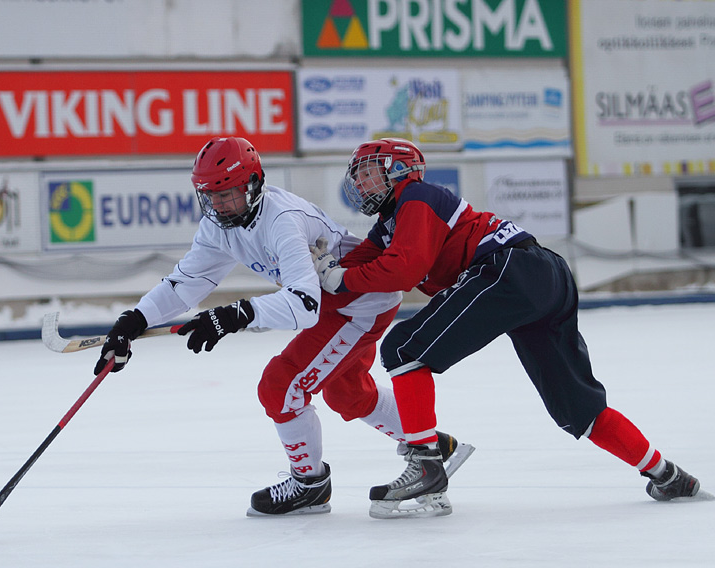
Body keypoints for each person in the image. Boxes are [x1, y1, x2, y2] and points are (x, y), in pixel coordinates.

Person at [310, 137, 704, 519]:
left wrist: (338, 278)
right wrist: (308, 276)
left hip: (509, 269)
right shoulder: (389, 223)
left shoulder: (416, 196)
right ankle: (666, 474)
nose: (359, 183)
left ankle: (428, 465)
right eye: (357, 175)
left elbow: (402, 267)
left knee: (403, 348)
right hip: (544, 275)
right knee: (577, 409)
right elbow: (356, 266)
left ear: (399, 170)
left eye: (368, 173)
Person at [93, 136, 475, 517]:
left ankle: (310, 484)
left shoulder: (282, 220)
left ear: (254, 184)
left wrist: (235, 315)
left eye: (228, 193)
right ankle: (435, 447)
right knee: (347, 394)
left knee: (280, 385)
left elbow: (304, 305)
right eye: (211, 195)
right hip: (339, 302)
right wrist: (133, 321)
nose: (220, 205)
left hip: (355, 304)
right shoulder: (218, 225)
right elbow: (185, 283)